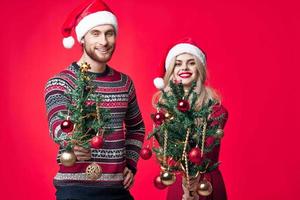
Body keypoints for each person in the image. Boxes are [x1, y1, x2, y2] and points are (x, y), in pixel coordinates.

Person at [44, 0, 145, 199]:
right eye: (96, 34)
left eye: (109, 33)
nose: (104, 41)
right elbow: (56, 123)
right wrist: (71, 142)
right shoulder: (61, 82)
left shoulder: (124, 83)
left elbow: (137, 128)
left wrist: (131, 165)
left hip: (117, 190)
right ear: (82, 38)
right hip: (75, 190)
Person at [153, 38, 228, 200]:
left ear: (199, 68)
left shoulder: (215, 109)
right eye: (178, 64)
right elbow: (168, 152)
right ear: (171, 70)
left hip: (206, 184)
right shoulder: (165, 109)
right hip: (178, 182)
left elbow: (206, 152)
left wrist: (193, 179)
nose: (184, 68)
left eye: (191, 63)